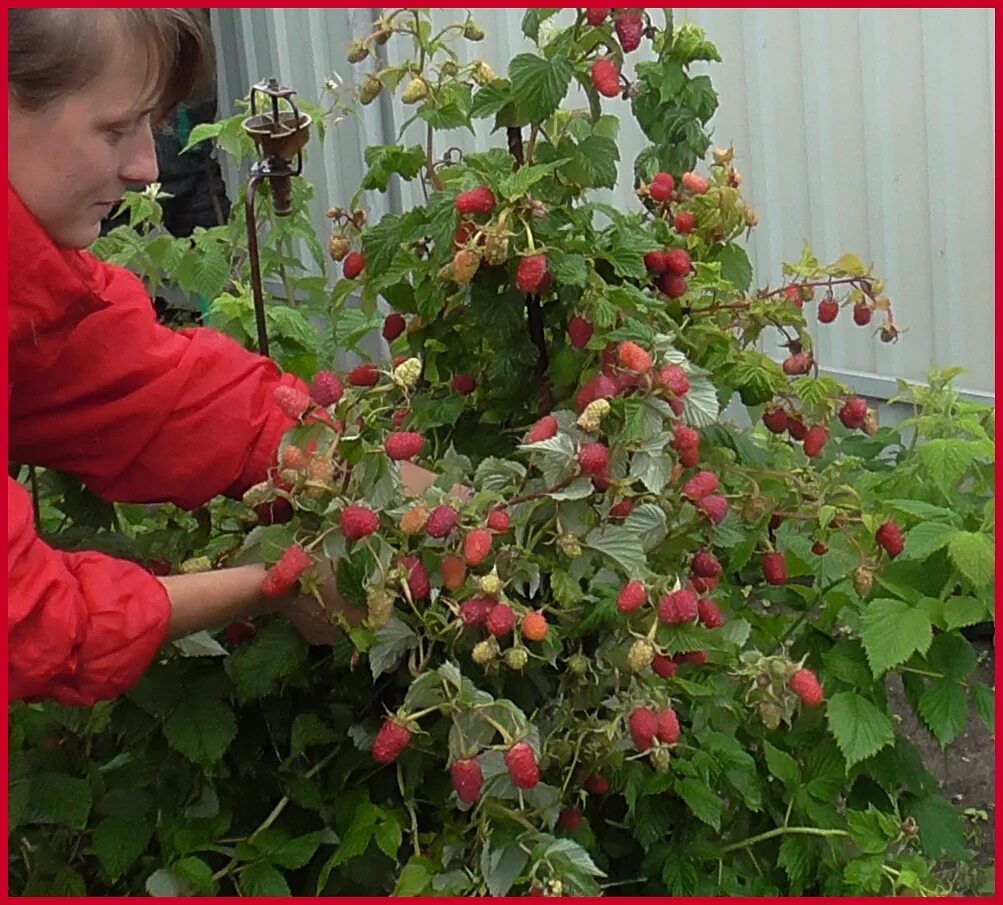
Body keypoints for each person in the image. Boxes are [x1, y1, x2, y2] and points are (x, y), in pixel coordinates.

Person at [7, 10, 433, 706]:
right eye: (114, 129)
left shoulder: (31, 291)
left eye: (150, 125)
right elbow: (24, 622)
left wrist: (374, 479)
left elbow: (160, 398)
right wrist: (277, 578)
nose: (145, 164)